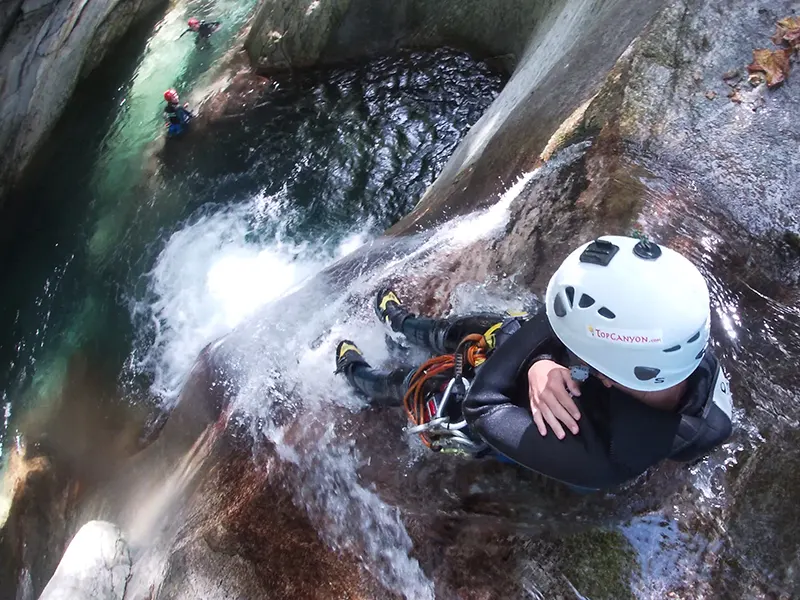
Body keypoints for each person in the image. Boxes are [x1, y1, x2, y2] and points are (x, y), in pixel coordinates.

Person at [334, 235, 733, 490]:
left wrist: (534, 363)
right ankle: (406, 326)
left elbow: (482, 406)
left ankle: (360, 380)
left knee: (427, 390)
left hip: (530, 418)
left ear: (609, 372)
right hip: (591, 384)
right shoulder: (679, 357)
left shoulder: (609, 460)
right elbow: (602, 373)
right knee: (476, 329)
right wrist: (542, 361)